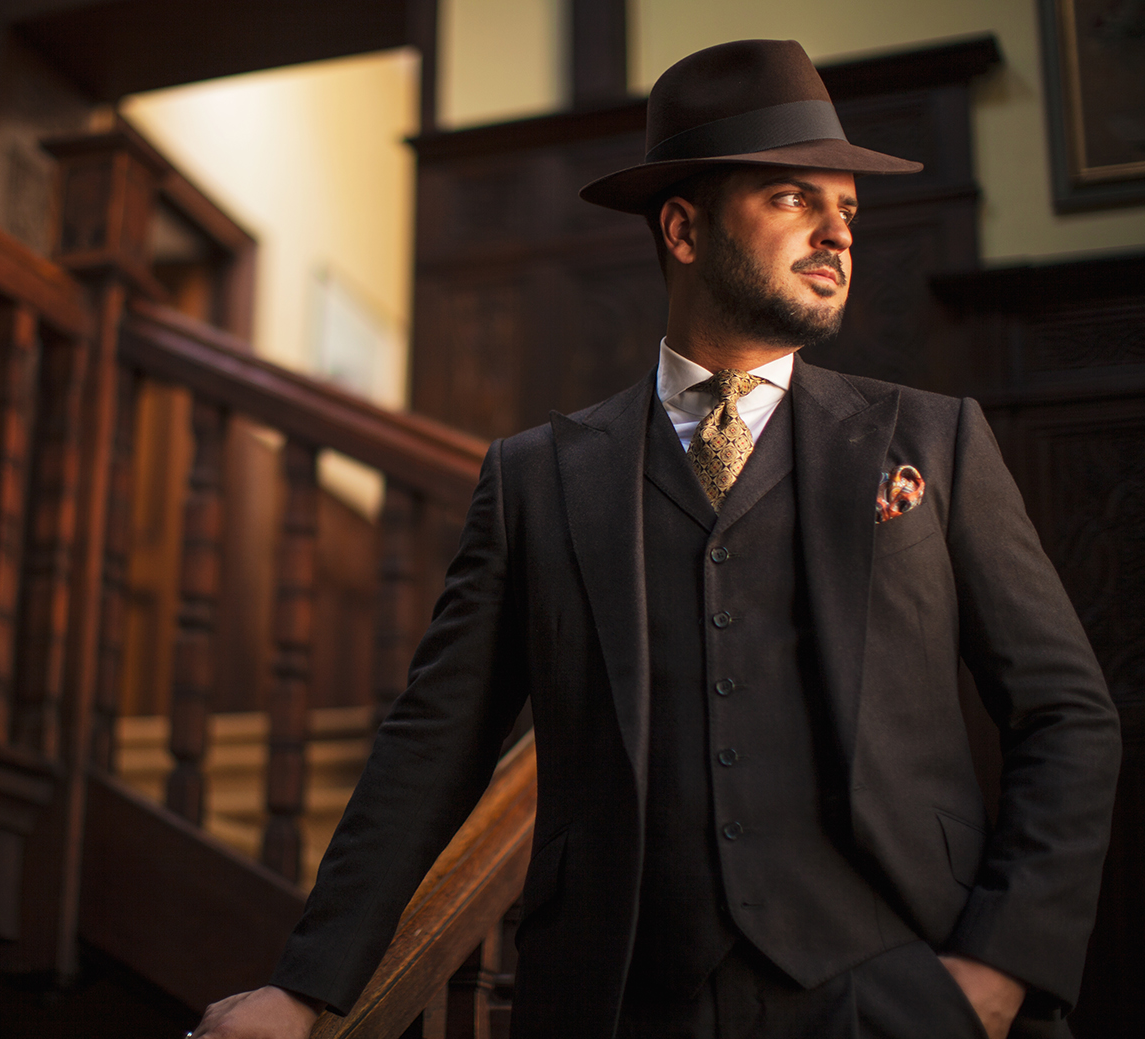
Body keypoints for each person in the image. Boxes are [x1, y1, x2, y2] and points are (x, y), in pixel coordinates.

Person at [192, 39, 1121, 1039]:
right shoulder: (536, 480)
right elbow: (432, 745)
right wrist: (304, 984)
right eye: (791, 198)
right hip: (618, 999)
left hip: (897, 988)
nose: (835, 234)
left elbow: (1066, 713)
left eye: (846, 209)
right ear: (682, 228)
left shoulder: (935, 442)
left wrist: (996, 967)